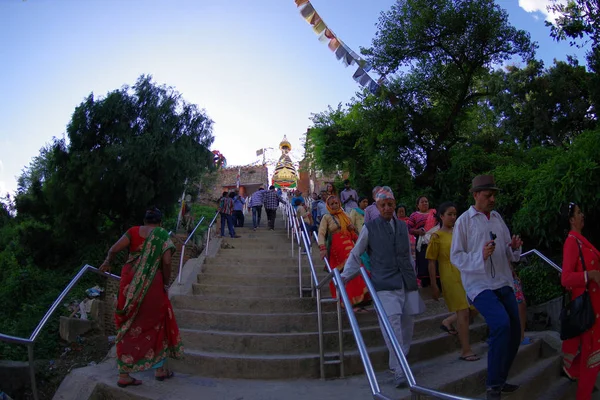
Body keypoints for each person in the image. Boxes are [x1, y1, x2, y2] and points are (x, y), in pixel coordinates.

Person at [341, 186, 425, 388]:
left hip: (406, 282)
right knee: (392, 328)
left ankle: (399, 363)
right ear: (377, 207)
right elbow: (356, 253)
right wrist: (344, 278)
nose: (387, 208)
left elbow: (408, 256)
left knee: (407, 326)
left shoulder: (403, 227)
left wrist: (414, 278)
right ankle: (399, 369)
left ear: (394, 204)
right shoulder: (370, 228)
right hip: (384, 284)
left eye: (390, 204)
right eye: (383, 205)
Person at [450, 175, 523, 400]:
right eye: (487, 195)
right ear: (475, 195)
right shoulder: (464, 220)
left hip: (502, 280)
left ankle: (500, 379)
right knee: (501, 325)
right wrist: (479, 256)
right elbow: (456, 256)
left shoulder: (498, 218)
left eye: (494, 195)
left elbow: (508, 253)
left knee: (515, 332)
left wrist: (514, 248)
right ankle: (492, 385)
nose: (492, 198)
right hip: (479, 284)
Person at [99, 207, 184, 387]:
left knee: (127, 323)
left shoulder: (133, 231)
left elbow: (114, 249)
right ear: (160, 222)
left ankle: (124, 374)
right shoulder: (162, 235)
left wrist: (107, 261)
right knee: (156, 323)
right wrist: (165, 283)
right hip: (153, 284)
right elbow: (167, 261)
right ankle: (160, 370)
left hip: (129, 282)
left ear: (144, 221)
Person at [426, 202, 479, 361]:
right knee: (463, 311)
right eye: (449, 214)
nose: (453, 217)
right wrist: (434, 285)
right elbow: (431, 262)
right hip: (449, 275)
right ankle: (466, 350)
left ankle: (448, 321)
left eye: (454, 214)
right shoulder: (436, 236)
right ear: (441, 216)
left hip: (464, 273)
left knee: (474, 307)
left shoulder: (459, 232)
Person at [561, 202, 600, 400]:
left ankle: (574, 370)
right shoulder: (571, 242)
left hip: (595, 306)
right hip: (588, 310)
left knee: (592, 358)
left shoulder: (581, 240)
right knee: (592, 360)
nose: (582, 215)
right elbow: (565, 278)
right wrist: (590, 275)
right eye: (578, 213)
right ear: (571, 220)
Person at [318, 195, 369, 310]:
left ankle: (359, 301)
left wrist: (352, 229)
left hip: (350, 245)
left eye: (336, 203)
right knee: (346, 272)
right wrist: (322, 248)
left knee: (356, 269)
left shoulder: (345, 215)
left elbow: (354, 233)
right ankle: (349, 303)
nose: (335, 205)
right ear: (328, 206)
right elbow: (321, 233)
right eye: (332, 204)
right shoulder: (326, 217)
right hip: (337, 249)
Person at [407, 196, 437, 284]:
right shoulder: (414, 215)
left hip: (434, 241)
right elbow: (409, 229)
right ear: (418, 205)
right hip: (422, 244)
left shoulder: (434, 213)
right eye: (422, 202)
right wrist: (418, 231)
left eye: (426, 201)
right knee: (424, 262)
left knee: (436, 262)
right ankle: (425, 281)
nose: (425, 203)